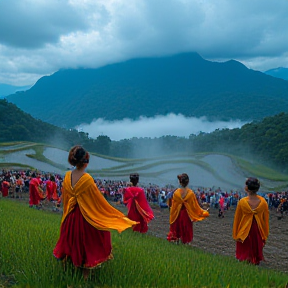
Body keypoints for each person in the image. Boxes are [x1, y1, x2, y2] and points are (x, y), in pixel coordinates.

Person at [53, 146, 137, 278]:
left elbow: (66, 198)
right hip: (85, 217)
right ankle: (85, 276)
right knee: (90, 242)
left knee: (70, 241)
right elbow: (97, 201)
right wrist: (109, 214)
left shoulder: (67, 176)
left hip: (70, 216)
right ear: (85, 162)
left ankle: (69, 269)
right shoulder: (87, 179)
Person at [232, 177, 269, 265]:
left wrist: (236, 234)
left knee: (243, 256)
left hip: (244, 230)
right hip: (257, 231)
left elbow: (237, 219)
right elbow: (265, 220)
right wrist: (264, 235)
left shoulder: (242, 202)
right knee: (255, 253)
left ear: (246, 188)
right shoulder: (263, 202)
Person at [167, 173, 209, 244]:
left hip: (178, 214)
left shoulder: (176, 193)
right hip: (186, 215)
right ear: (188, 182)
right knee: (186, 230)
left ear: (179, 182)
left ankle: (177, 241)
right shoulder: (190, 193)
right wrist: (202, 211)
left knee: (177, 229)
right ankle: (185, 243)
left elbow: (173, 205)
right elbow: (195, 205)